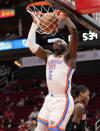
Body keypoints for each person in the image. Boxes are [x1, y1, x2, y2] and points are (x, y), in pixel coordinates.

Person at [27, 12, 78, 131]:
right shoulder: (48, 56)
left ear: (66, 46)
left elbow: (74, 32)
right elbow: (30, 44)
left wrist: (64, 17)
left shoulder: (69, 58)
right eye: (55, 42)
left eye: (60, 41)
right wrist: (35, 23)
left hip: (62, 100)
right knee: (39, 129)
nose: (57, 42)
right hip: (49, 98)